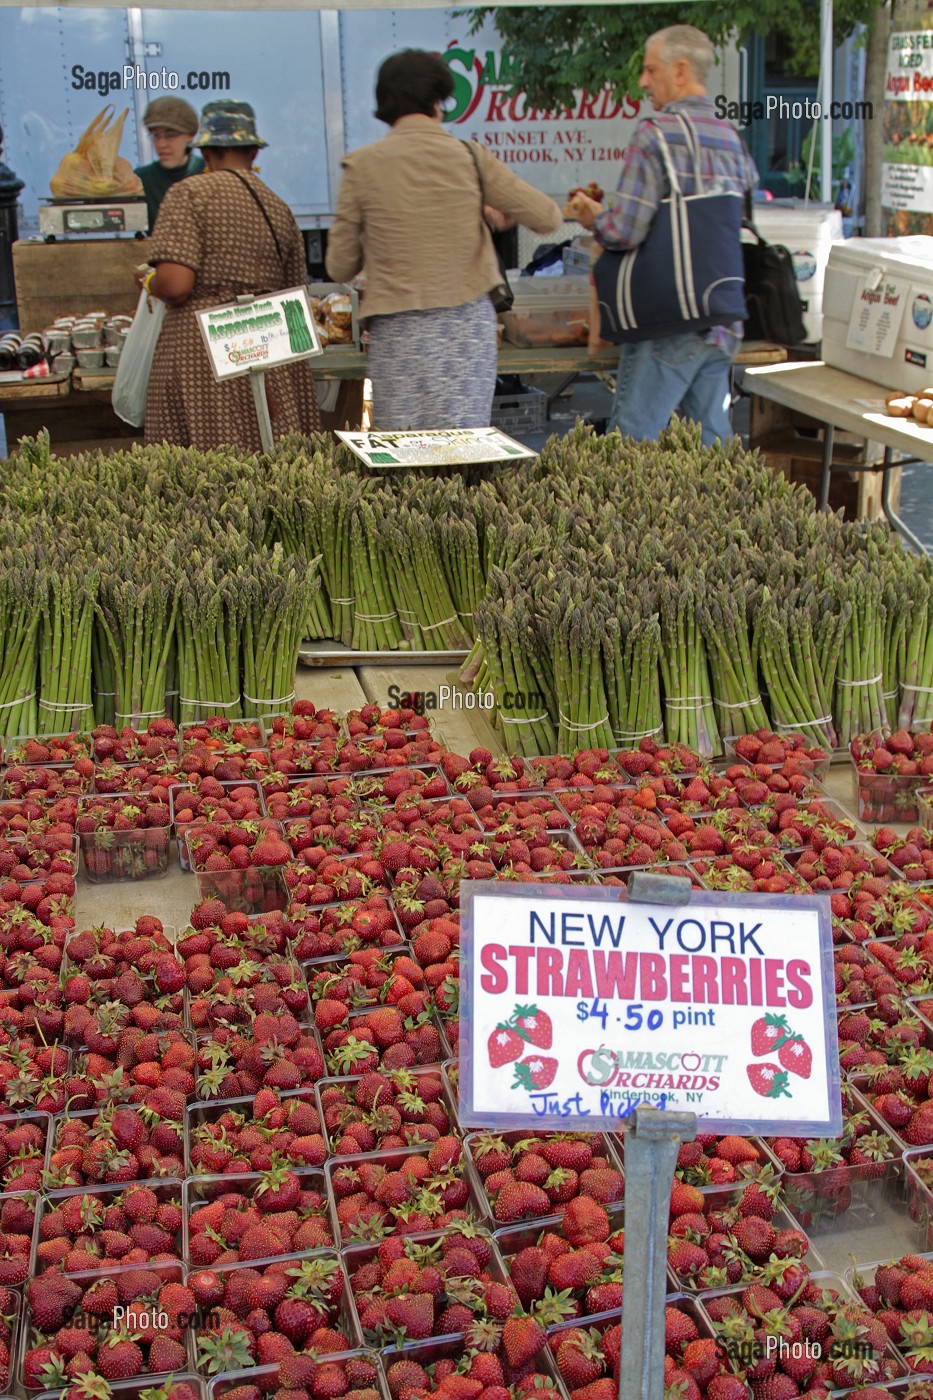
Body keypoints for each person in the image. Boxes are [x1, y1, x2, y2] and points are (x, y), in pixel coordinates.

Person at [325, 49, 562, 430]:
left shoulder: (362, 166)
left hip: (398, 331)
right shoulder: (469, 157)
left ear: (386, 105)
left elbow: (339, 265)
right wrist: (485, 212)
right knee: (464, 447)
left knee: (402, 451)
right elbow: (547, 216)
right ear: (438, 100)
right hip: (465, 326)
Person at [568, 26, 757, 447]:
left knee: (630, 445)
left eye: (651, 70)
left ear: (681, 70)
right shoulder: (731, 136)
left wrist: (594, 216)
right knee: (712, 450)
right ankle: (728, 514)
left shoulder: (656, 134)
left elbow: (625, 230)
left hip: (670, 320)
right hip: (722, 318)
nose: (643, 81)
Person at [136, 99, 320, 451]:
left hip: (200, 357)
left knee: (206, 474)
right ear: (253, 151)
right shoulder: (278, 207)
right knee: (268, 468)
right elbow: (297, 299)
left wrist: (148, 280)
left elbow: (175, 285)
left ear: (205, 151)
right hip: (271, 359)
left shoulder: (189, 194)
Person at [134, 97, 204, 231]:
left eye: (170, 136)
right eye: (156, 136)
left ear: (190, 136)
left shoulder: (208, 174)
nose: (161, 144)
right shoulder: (141, 180)